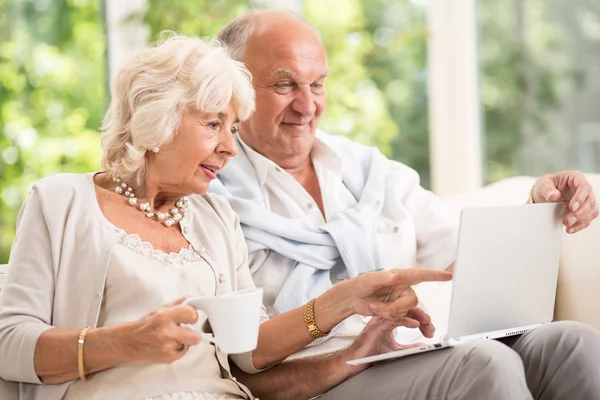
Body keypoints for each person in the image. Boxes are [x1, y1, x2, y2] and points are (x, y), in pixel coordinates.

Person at [0, 33, 452, 400]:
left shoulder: (215, 214)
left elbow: (249, 349)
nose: (230, 148)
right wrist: (124, 342)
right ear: (158, 121)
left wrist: (345, 300)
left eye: (232, 129)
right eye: (213, 124)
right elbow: (9, 345)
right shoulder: (60, 201)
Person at [211, 10, 600, 400]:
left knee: (572, 344)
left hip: (410, 354)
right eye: (285, 85)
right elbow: (240, 359)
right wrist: (342, 315)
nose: (307, 105)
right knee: (484, 363)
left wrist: (539, 203)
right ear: (234, 91)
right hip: (321, 377)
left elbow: (469, 254)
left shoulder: (371, 173)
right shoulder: (212, 196)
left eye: (317, 84)